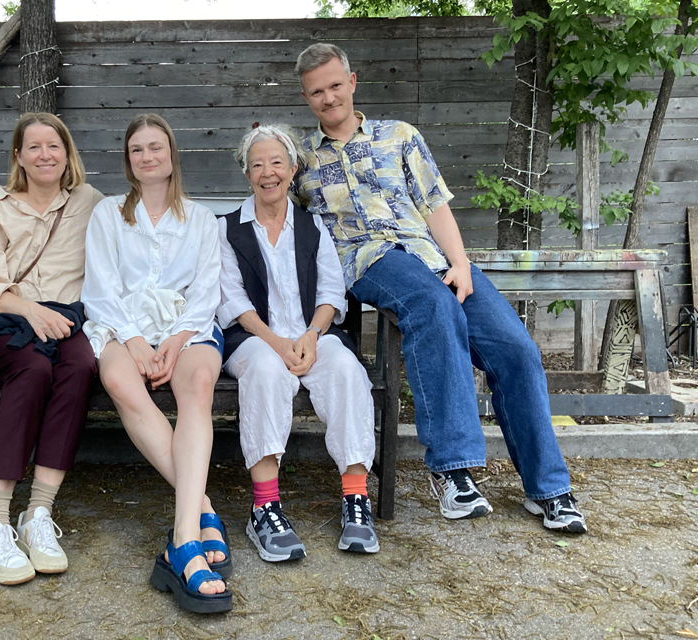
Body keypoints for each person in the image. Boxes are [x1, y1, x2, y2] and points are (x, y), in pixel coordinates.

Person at [292, 43, 587, 534]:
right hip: (367, 261)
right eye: (317, 92)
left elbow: (433, 206)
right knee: (431, 305)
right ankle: (452, 471)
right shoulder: (300, 159)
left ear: (353, 81)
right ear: (306, 98)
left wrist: (462, 263)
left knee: (516, 350)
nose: (329, 98)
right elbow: (274, 209)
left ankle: (550, 488)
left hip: (431, 257)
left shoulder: (399, 136)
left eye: (335, 85)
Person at [81, 113, 233, 613]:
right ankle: (202, 508)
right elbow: (101, 290)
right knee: (123, 385)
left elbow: (207, 291)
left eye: (156, 147)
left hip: (187, 327)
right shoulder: (107, 214)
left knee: (199, 387)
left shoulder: (201, 220)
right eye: (137, 150)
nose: (148, 157)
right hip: (121, 325)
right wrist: (137, 341)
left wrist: (175, 340)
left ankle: (182, 541)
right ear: (128, 162)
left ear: (172, 155)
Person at [218, 124, 380, 561]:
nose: (267, 172)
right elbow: (231, 299)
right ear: (246, 173)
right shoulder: (228, 229)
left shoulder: (312, 227)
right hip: (253, 338)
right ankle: (265, 507)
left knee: (347, 369)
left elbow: (331, 292)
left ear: (292, 169)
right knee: (267, 371)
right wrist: (276, 341)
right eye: (257, 165)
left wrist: (310, 335)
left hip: (313, 334)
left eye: (276, 163)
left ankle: (355, 498)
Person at [0, 113, 106, 585]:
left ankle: (38, 515)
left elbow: (133, 239)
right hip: (5, 327)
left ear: (68, 155)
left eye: (55, 146)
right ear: (19, 157)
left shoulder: (91, 203)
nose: (46, 155)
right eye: (35, 147)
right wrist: (29, 310)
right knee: (32, 371)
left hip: (67, 322)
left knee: (82, 365)